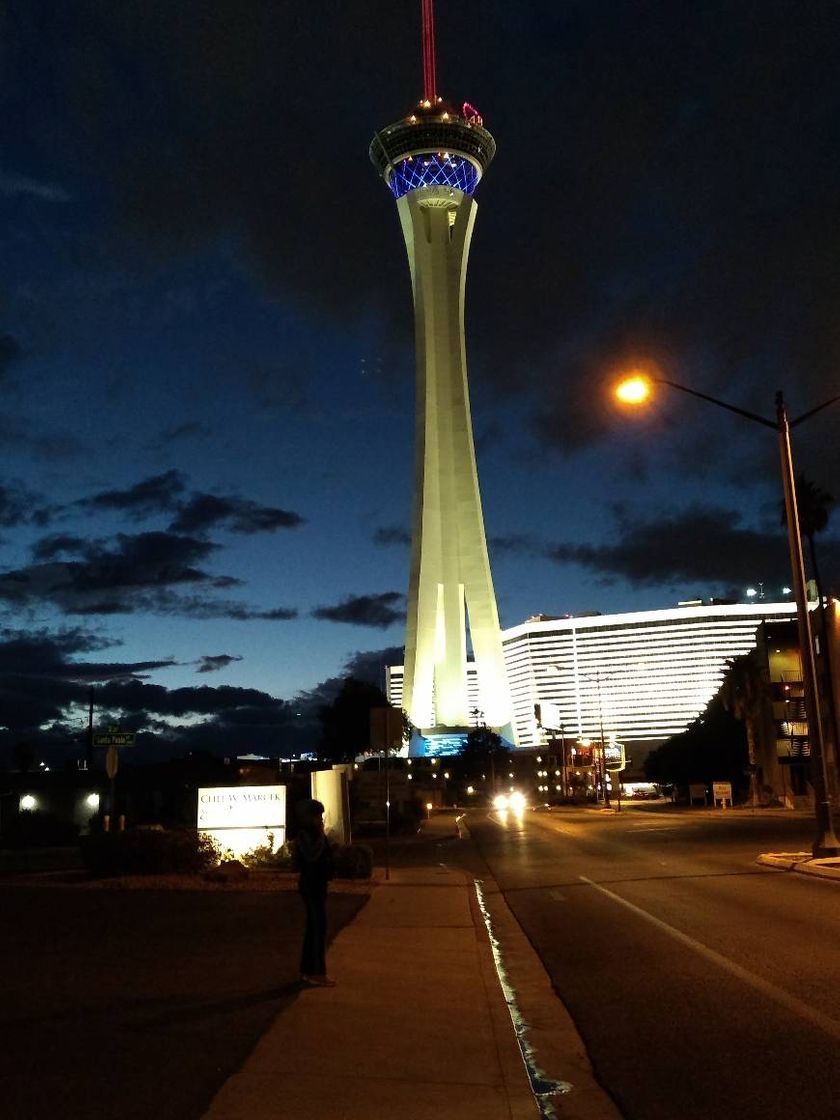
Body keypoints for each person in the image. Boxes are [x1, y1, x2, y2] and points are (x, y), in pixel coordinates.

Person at [294, 798, 336, 987]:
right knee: (317, 928)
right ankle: (316, 972)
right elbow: (311, 855)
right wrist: (320, 837)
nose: (320, 819)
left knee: (317, 927)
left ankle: (308, 969)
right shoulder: (304, 834)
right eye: (317, 816)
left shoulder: (315, 833)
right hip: (311, 885)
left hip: (318, 884)